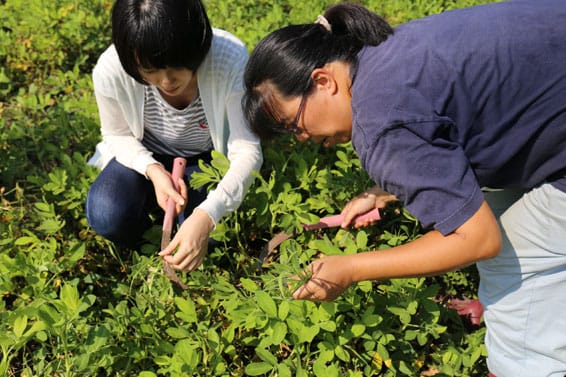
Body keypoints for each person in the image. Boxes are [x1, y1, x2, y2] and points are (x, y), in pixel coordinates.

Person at [242, 1, 566, 375]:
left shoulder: (379, 126)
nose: (300, 138)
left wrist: (350, 269)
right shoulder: (378, 51)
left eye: (293, 124)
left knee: (513, 256)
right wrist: (388, 187)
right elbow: (435, 117)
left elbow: (479, 240)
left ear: (322, 81)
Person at [86, 0, 262, 272]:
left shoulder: (229, 58)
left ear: (197, 41)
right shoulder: (111, 69)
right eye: (150, 70)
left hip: (205, 158)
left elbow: (247, 149)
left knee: (208, 239)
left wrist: (207, 216)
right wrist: (154, 171)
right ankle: (152, 239)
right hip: (143, 153)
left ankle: (186, 230)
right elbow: (116, 134)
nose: (167, 81)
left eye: (177, 66)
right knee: (106, 214)